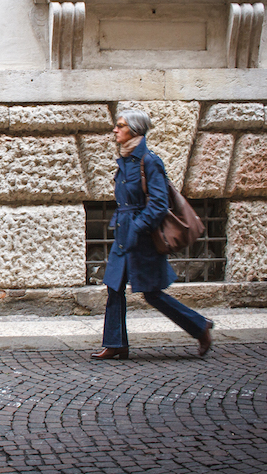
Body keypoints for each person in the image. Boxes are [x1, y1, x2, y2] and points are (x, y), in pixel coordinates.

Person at [92, 109, 214, 360]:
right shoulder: (125, 161)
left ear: (134, 131)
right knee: (114, 287)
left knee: (152, 293)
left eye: (121, 126)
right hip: (124, 235)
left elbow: (159, 204)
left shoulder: (149, 161)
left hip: (145, 238)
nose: (115, 130)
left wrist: (138, 227)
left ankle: (199, 327)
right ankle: (116, 343)